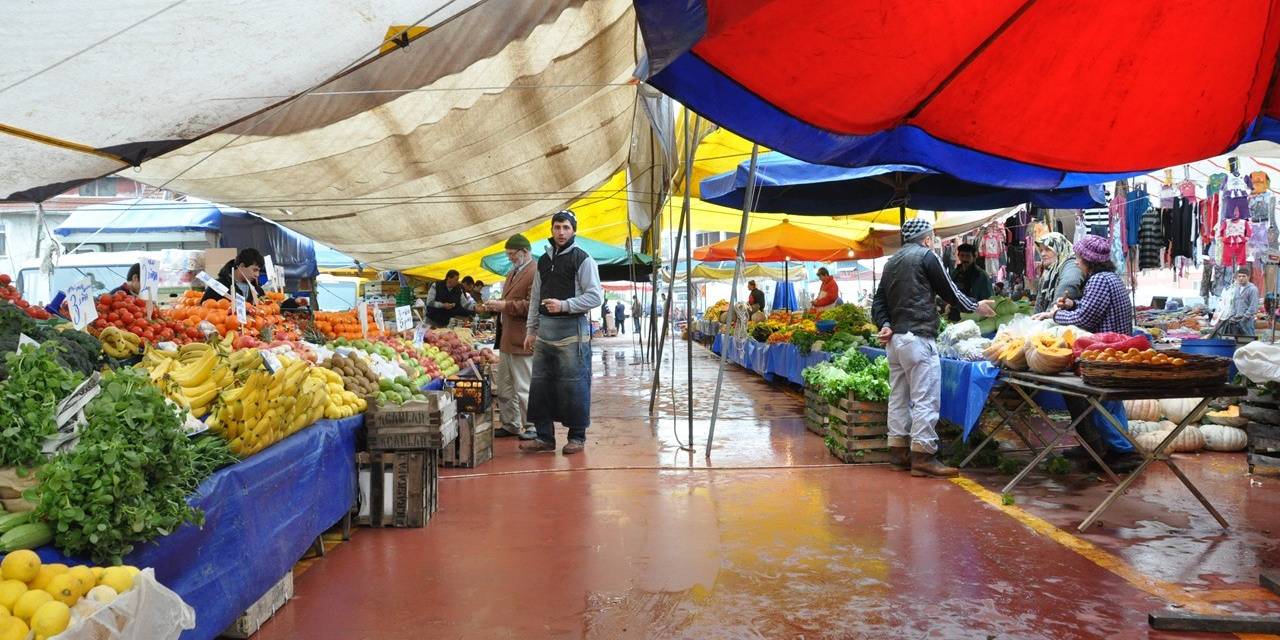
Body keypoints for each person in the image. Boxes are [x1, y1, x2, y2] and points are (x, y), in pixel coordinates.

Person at [872, 218, 995, 477]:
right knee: (925, 398)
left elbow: (878, 302)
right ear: (927, 238)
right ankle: (923, 456)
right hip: (918, 338)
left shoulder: (891, 263)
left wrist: (884, 323)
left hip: (894, 342)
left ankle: (898, 452)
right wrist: (975, 305)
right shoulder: (927, 256)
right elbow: (949, 290)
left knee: (899, 397)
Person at [1048, 234, 1143, 472]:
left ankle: (1124, 453)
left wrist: (1056, 316)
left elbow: (1085, 320)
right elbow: (1090, 308)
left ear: (1089, 260)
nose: (1077, 262)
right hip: (1113, 353)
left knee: (1104, 406)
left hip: (1108, 355)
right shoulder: (1108, 278)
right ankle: (1098, 446)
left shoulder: (1099, 280)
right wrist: (1072, 304)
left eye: (1079, 258)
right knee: (1104, 404)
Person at [520, 210, 604, 455]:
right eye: (557, 227)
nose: (561, 232)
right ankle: (545, 437)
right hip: (545, 330)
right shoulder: (543, 261)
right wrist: (530, 330)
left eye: (566, 227)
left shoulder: (583, 259)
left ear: (574, 230)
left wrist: (565, 305)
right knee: (541, 384)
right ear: (551, 230)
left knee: (574, 384)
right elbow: (536, 296)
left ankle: (577, 437)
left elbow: (595, 296)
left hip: (572, 330)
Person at [484, 234, 537, 440]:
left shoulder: (535, 272)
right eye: (508, 254)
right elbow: (511, 300)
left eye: (512, 254)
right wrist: (498, 304)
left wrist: (505, 306)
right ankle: (510, 423)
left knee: (524, 386)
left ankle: (531, 425)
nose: (510, 258)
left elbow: (533, 306)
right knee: (505, 387)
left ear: (524, 252)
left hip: (523, 339)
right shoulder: (513, 272)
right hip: (507, 339)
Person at [1030, 233, 1084, 317]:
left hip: (1067, 321)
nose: (1043, 254)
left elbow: (1068, 284)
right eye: (1041, 250)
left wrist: (1051, 313)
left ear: (1059, 248)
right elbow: (1040, 300)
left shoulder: (1071, 264)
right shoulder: (1050, 270)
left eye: (1047, 249)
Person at [947, 243, 994, 321]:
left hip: (974, 315)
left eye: (968, 256)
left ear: (974, 257)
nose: (965, 259)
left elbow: (989, 298)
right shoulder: (955, 273)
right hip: (955, 313)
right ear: (958, 256)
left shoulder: (982, 276)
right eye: (962, 256)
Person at [201, 249, 266, 304]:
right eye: (255, 270)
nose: (257, 275)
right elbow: (204, 311)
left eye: (259, 271)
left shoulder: (258, 290)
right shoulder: (216, 287)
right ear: (242, 266)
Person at [1221, 268, 1260, 337]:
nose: (1241, 278)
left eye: (1243, 276)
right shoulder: (1237, 288)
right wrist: (1232, 316)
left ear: (1248, 277)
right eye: (1239, 276)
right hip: (1235, 320)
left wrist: (1244, 318)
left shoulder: (1252, 289)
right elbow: (1234, 304)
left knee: (1248, 340)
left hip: (1247, 321)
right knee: (1236, 342)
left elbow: (1253, 306)